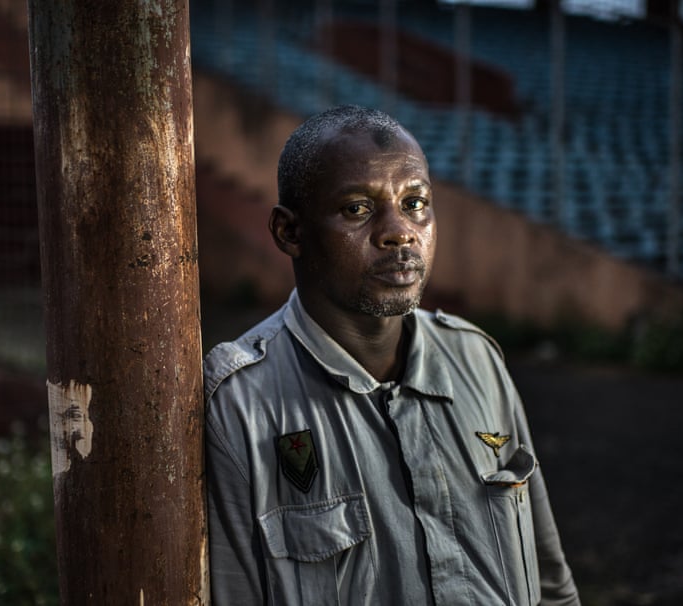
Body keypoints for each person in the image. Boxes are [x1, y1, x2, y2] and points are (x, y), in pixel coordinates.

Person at [203, 105, 581, 605]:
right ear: (289, 233)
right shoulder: (240, 402)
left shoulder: (477, 358)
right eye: (358, 208)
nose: (400, 231)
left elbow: (549, 578)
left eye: (415, 202)